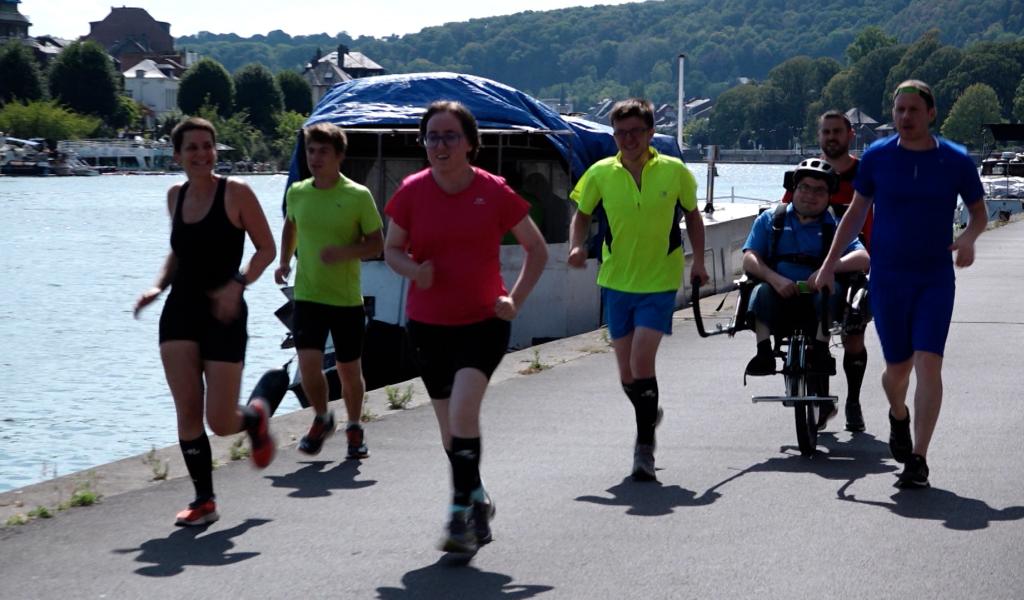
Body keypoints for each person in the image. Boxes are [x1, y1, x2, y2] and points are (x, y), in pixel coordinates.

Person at [383, 101, 548, 554]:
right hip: (427, 326)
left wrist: (515, 300)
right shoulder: (412, 192)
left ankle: (458, 515)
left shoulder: (493, 191)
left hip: (483, 322)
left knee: (462, 414)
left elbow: (536, 249)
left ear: (470, 143)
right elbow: (392, 249)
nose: (440, 145)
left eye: (450, 136)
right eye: (432, 136)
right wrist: (414, 271)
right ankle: (478, 499)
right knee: (449, 431)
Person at [813, 80, 987, 489]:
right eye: (899, 110)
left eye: (913, 110)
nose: (905, 117)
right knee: (897, 370)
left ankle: (919, 459)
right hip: (888, 278)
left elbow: (979, 212)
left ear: (931, 114)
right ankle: (898, 414)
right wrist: (828, 264)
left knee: (929, 363)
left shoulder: (955, 160)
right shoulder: (878, 157)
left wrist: (968, 238)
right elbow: (855, 214)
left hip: (934, 279)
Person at [134, 117, 277, 526]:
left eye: (207, 146)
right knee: (187, 410)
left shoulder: (236, 193)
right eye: (192, 147)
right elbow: (179, 252)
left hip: (224, 312)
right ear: (176, 155)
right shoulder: (175, 196)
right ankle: (204, 500)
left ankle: (255, 417)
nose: (201, 154)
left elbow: (266, 249)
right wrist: (157, 286)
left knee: (221, 421)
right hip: (180, 310)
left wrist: (238, 284)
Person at [567, 98, 708, 482]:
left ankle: (644, 447)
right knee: (627, 375)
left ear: (650, 133)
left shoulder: (674, 171)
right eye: (621, 133)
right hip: (616, 282)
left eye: (636, 132)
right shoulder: (600, 173)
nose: (628, 139)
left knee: (642, 363)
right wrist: (577, 246)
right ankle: (649, 411)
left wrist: (699, 261)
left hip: (659, 281)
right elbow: (582, 214)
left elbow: (693, 216)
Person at [275, 123, 384, 459]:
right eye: (311, 151)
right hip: (308, 296)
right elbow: (291, 225)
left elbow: (376, 244)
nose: (315, 157)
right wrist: (283, 261)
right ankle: (322, 418)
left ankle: (355, 426)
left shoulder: (357, 195)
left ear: (339, 156)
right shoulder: (298, 192)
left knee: (348, 370)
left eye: (323, 151)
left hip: (345, 300)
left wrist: (345, 252)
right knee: (308, 366)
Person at [781, 111, 873, 432]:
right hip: (810, 265)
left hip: (854, 261)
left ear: (850, 135)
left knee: (853, 333)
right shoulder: (807, 172)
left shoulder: (864, 173)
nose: (831, 137)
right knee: (810, 327)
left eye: (837, 131)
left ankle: (853, 401)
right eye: (826, 132)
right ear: (819, 136)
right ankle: (820, 399)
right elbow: (786, 211)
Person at [743, 158, 870, 388]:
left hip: (820, 293)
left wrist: (828, 269)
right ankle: (764, 352)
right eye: (804, 188)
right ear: (794, 188)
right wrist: (774, 278)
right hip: (779, 291)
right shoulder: (770, 219)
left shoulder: (837, 223)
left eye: (819, 190)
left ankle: (821, 349)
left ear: (829, 195)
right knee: (760, 291)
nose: (810, 195)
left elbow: (862, 258)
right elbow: (749, 258)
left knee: (830, 291)